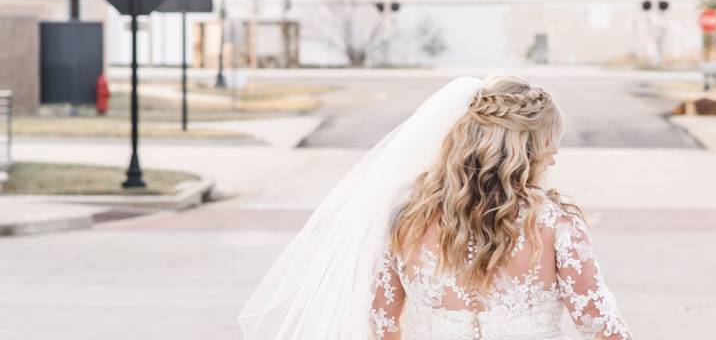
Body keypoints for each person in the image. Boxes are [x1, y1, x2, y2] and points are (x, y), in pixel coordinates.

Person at [239, 75, 632, 340]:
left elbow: (382, 320)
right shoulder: (554, 225)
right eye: (549, 142)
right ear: (526, 150)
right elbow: (600, 325)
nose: (555, 154)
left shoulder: (409, 219)